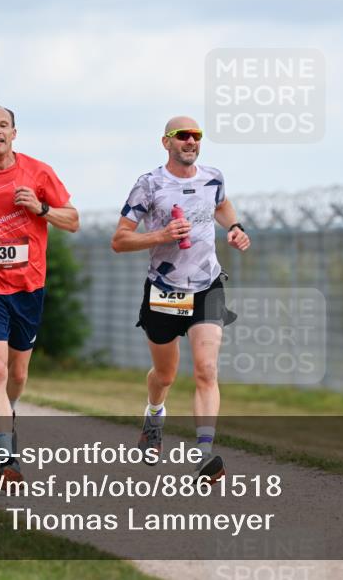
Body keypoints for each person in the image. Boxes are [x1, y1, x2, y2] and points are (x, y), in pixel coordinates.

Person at [111, 115, 250, 483]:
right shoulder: (149, 184)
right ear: (166, 142)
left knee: (206, 369)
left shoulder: (213, 177)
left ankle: (204, 455)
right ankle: (154, 414)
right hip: (164, 289)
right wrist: (161, 235)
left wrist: (234, 227)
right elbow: (120, 239)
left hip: (207, 285)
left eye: (196, 136)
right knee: (166, 373)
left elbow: (221, 205)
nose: (191, 141)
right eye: (182, 136)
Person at [0, 103, 79, 483]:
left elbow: (73, 220)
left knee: (18, 374)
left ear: (14, 133)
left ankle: (11, 409)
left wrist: (40, 208)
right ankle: (7, 455)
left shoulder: (38, 172)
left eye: (3, 125)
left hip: (28, 286)